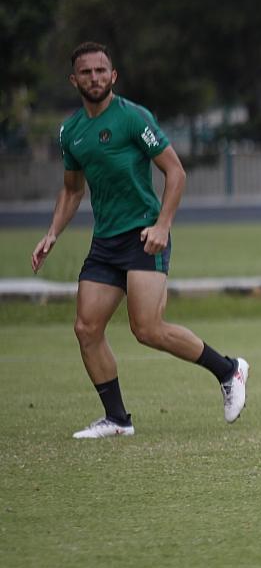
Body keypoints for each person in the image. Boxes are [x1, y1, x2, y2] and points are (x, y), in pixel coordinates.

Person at [30, 42, 248, 439]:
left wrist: (163, 226)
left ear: (113, 76)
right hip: (105, 242)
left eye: (101, 71)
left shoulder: (133, 118)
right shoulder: (71, 132)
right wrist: (52, 233)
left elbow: (176, 173)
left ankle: (228, 369)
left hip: (145, 234)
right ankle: (117, 419)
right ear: (73, 80)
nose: (94, 78)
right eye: (86, 72)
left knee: (146, 329)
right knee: (86, 328)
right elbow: (72, 190)